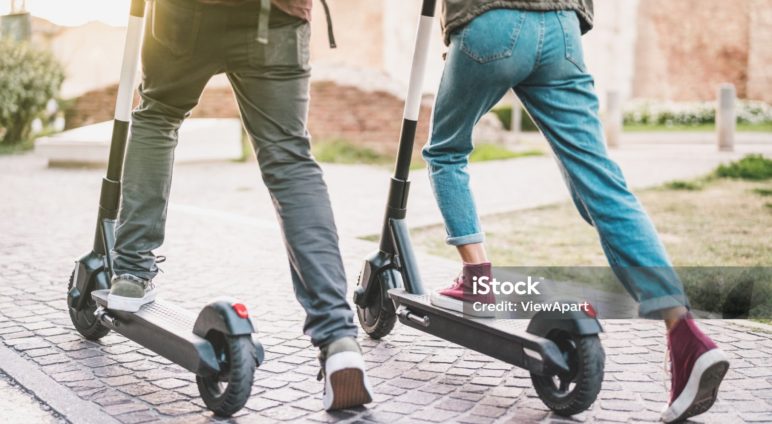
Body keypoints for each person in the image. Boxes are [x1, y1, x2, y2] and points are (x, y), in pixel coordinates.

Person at [422, 1, 729, 422]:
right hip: (561, 26)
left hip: (490, 19)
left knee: (446, 151)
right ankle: (684, 330)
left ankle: (476, 280)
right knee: (599, 178)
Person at [106, 0, 372, 410]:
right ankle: (338, 339)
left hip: (185, 14)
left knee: (158, 115)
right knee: (289, 160)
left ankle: (130, 272)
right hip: (276, 15)